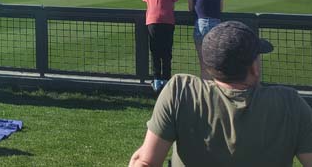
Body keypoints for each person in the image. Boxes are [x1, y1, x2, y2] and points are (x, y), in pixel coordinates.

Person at [129, 21, 312, 167]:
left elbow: (145, 162)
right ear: (254, 68)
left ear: (209, 66)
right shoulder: (290, 103)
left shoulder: (180, 91)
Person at [142, 0, 177, 93]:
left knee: (155, 51)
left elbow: (148, 4)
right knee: (167, 51)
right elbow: (172, 6)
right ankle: (167, 79)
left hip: (152, 21)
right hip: (168, 21)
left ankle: (156, 79)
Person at [188, 0, 224, 79]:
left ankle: (205, 91)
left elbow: (190, 8)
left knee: (204, 64)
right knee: (215, 63)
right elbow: (221, 8)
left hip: (201, 24)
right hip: (217, 25)